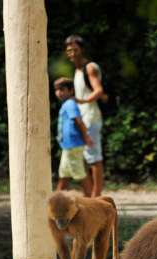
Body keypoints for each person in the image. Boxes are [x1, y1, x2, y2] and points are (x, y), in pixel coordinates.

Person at [65, 35, 105, 197]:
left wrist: (81, 101)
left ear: (82, 49)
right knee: (82, 157)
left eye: (75, 50)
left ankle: (97, 196)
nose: (72, 54)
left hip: (91, 118)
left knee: (94, 157)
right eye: (69, 51)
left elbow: (99, 90)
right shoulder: (76, 70)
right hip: (82, 119)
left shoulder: (89, 68)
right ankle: (89, 195)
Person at [53, 77, 94, 195]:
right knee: (64, 174)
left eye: (62, 89)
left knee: (80, 175)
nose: (59, 93)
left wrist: (86, 137)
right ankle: (56, 204)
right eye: (57, 90)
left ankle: (91, 203)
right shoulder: (67, 104)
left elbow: (79, 121)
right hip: (67, 146)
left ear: (71, 90)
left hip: (73, 144)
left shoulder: (70, 104)